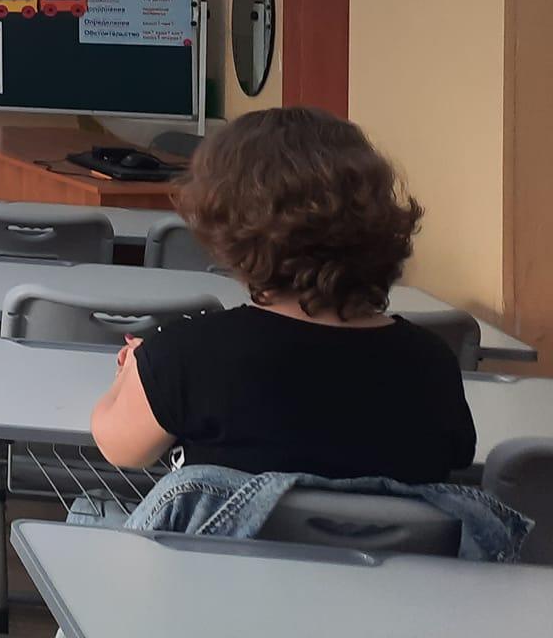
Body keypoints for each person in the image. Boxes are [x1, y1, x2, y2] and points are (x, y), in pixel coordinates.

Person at [90, 107, 474, 483]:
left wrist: (134, 369)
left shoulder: (184, 356)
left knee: (90, 510)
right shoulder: (431, 362)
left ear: (227, 225)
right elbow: (456, 457)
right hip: (390, 529)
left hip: (223, 531)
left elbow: (121, 448)